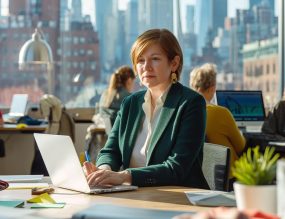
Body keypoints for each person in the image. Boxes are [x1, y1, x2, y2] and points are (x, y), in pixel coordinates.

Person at [83, 28, 209, 189]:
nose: (146, 66)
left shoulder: (191, 103)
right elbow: (110, 151)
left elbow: (176, 168)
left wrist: (123, 176)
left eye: (155, 59)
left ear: (174, 63)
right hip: (136, 195)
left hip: (179, 198)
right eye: (140, 60)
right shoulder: (130, 103)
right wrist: (103, 172)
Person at [189, 63, 246, 188]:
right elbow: (241, 146)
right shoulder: (221, 113)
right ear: (212, 88)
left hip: (198, 178)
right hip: (228, 178)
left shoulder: (185, 112)